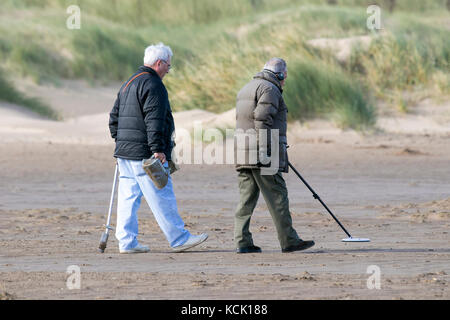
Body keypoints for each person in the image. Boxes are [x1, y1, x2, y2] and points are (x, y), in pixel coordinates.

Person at [109, 43, 208, 253]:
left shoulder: (128, 82)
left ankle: (126, 242)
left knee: (128, 197)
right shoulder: (154, 85)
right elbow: (154, 120)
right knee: (161, 192)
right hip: (144, 153)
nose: (168, 71)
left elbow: (113, 118)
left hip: (125, 153)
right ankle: (179, 238)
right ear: (159, 63)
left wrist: (120, 141)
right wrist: (158, 149)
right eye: (168, 67)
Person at [234, 57, 315, 253]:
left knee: (246, 200)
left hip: (243, 153)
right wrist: (265, 151)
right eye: (284, 77)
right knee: (278, 196)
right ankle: (289, 241)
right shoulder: (269, 89)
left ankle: (242, 242)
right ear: (279, 74)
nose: (285, 81)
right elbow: (262, 119)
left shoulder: (248, 87)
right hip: (262, 154)